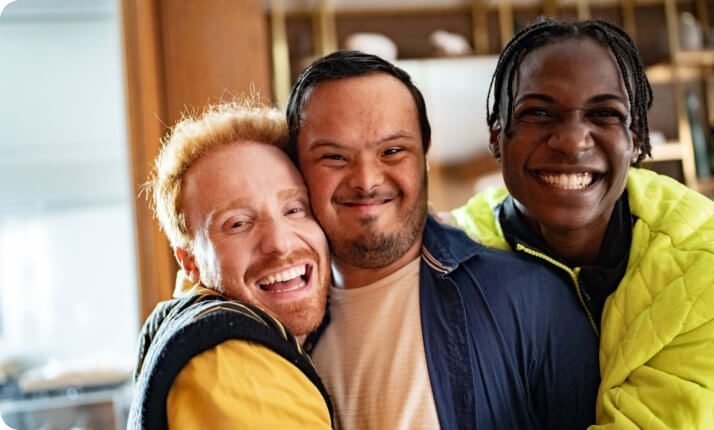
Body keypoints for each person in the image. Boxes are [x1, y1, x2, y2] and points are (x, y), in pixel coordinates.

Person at [286, 50, 600, 429]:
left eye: (392, 151)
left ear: (424, 157)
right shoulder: (277, 332)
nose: (366, 181)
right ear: (296, 167)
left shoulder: (532, 299)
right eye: (334, 157)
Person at [451, 18, 714, 429]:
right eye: (539, 113)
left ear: (636, 140)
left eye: (604, 113)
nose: (573, 141)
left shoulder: (701, 261)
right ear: (497, 137)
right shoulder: (451, 260)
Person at [128, 99, 333, 429]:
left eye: (295, 209)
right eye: (238, 224)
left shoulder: (186, 323)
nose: (280, 242)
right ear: (190, 262)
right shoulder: (232, 362)